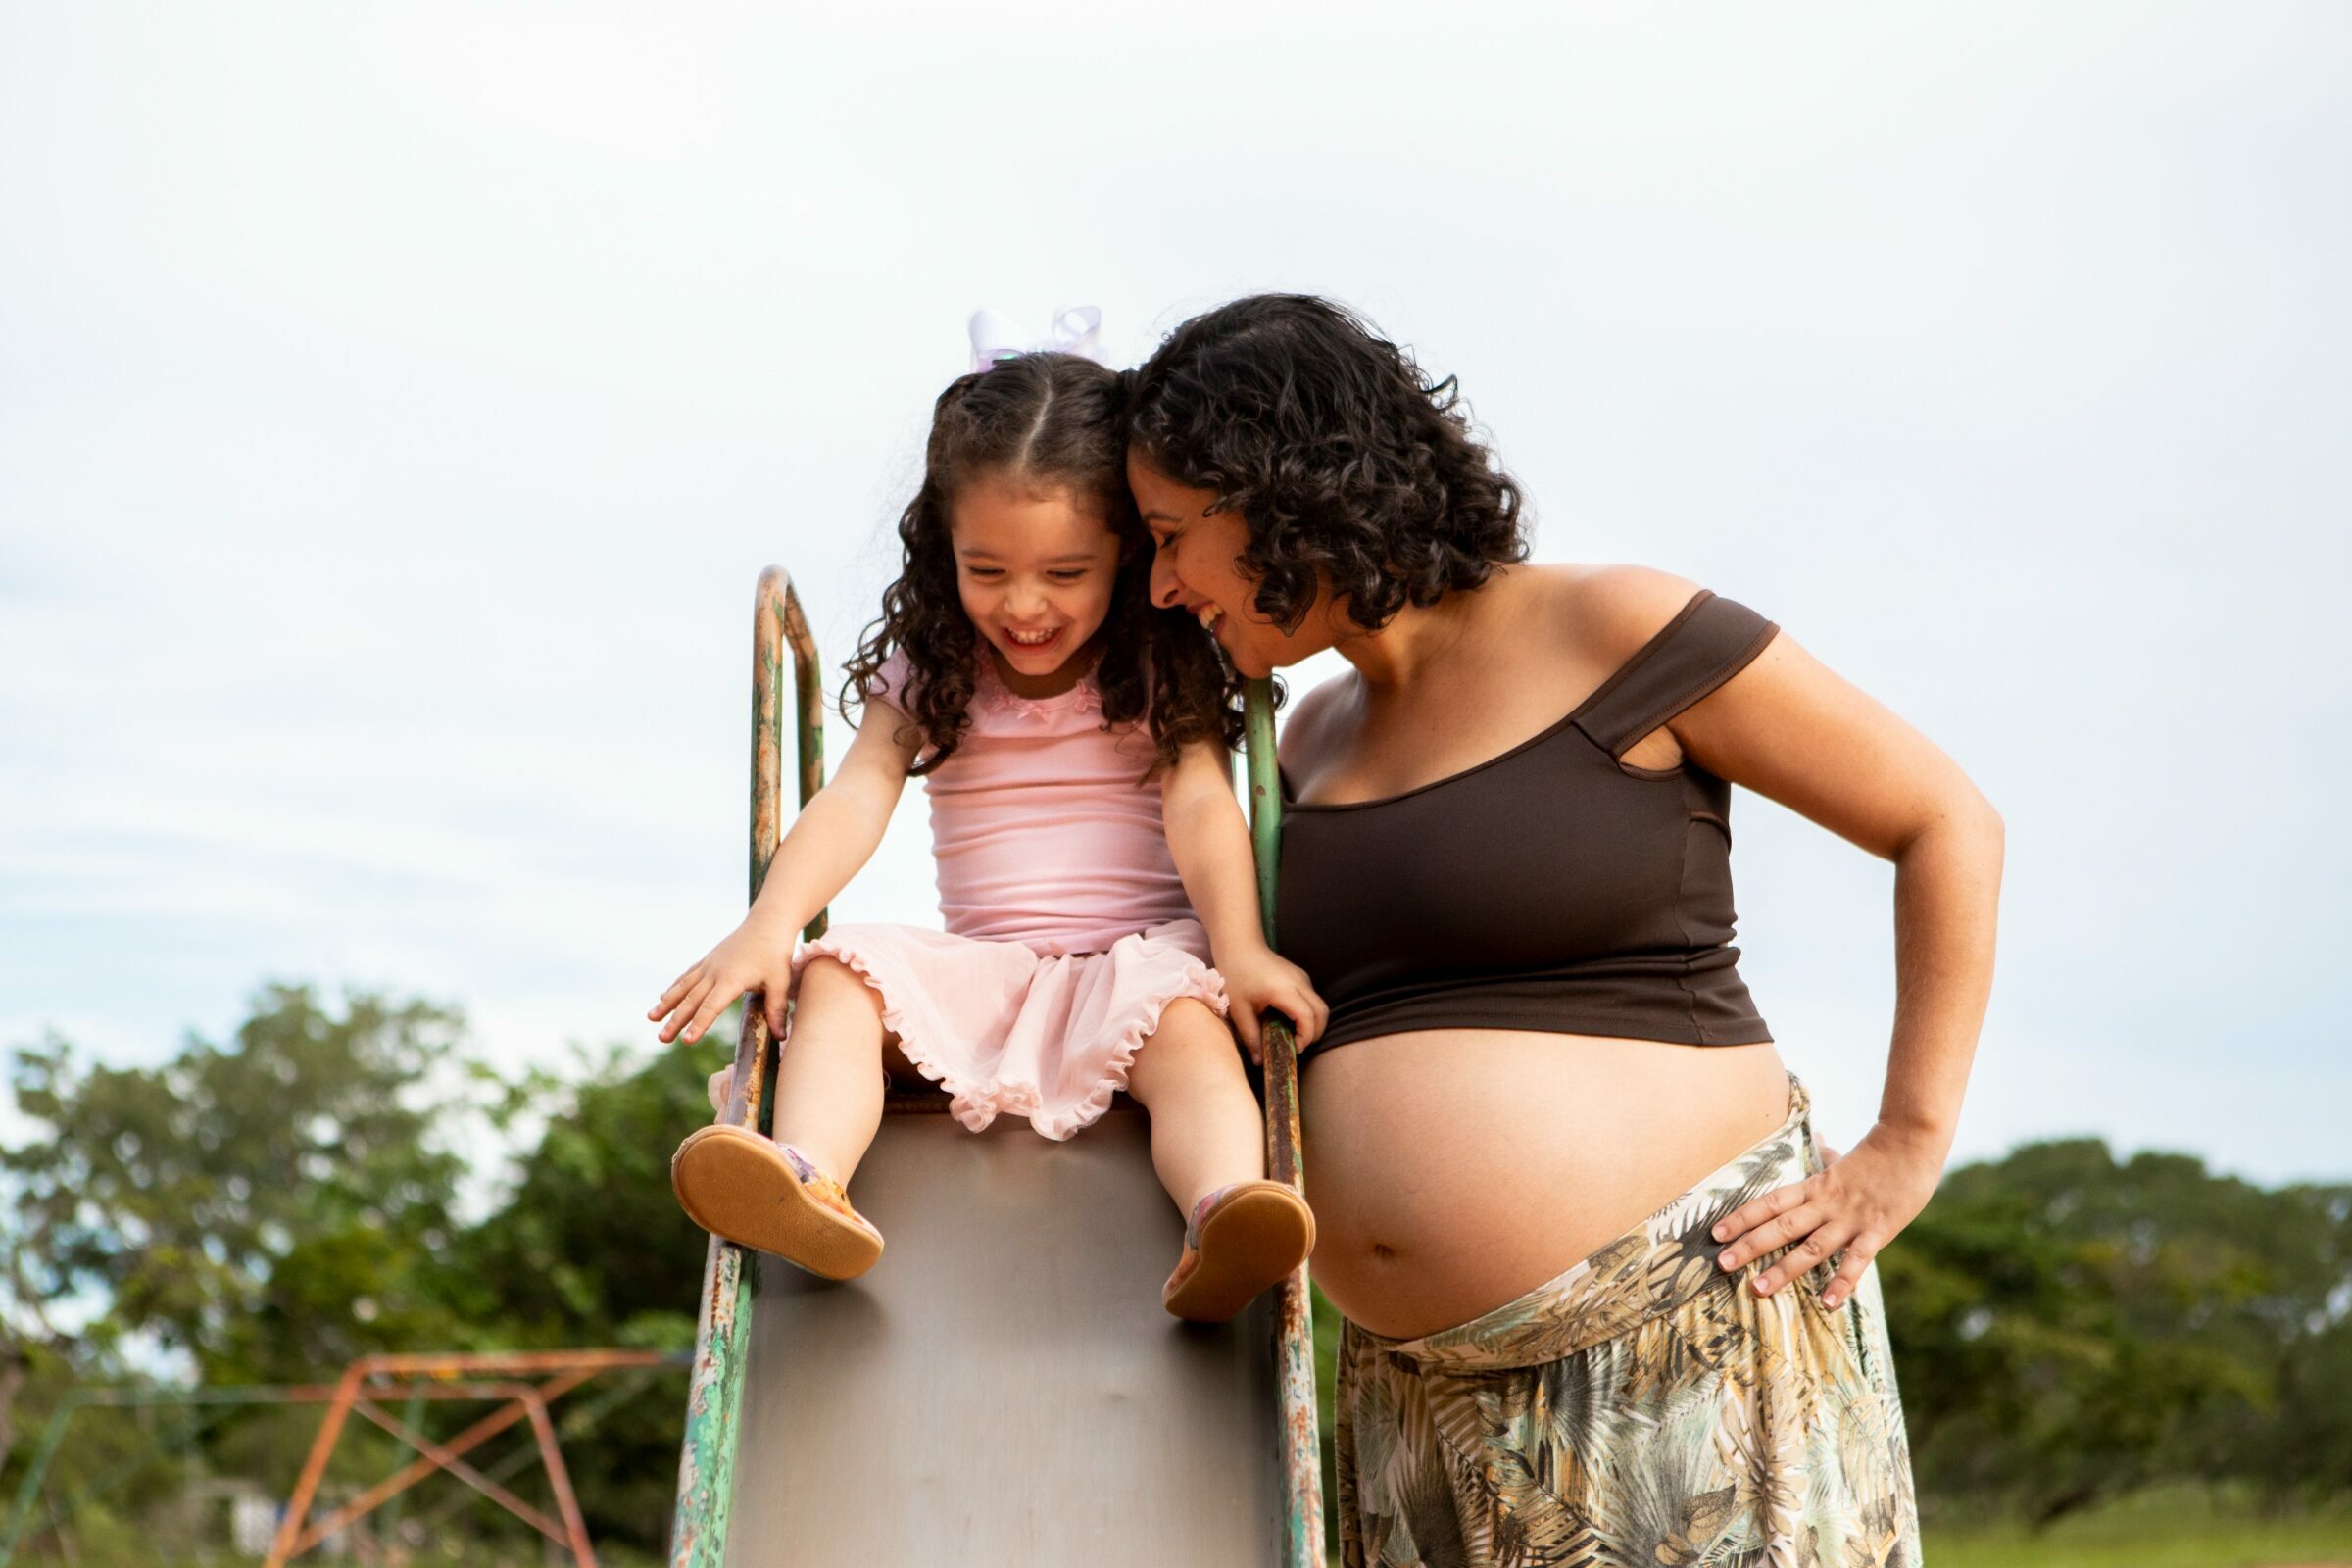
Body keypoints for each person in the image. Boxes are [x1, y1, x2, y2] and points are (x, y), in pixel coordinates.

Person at [1127, 295, 2000, 1562]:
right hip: (1417, 1413)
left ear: (1278, 483)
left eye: (1169, 535)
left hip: (1683, 1354)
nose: (1159, 583)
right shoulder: (1302, 744)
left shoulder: (1617, 629)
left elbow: (1946, 819)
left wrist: (1908, 1144)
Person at [651, 345, 1326, 1323]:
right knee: (838, 977)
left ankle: (1226, 1211)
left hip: (1132, 961)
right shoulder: (936, 662)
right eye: (986, 569)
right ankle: (806, 1178)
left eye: (1064, 572)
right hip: (986, 970)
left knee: (1187, 1033)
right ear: (943, 552)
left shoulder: (1155, 659)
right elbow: (859, 791)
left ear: (1130, 556)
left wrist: (1243, 949)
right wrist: (772, 924)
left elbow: (1202, 807)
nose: (1023, 604)